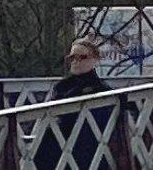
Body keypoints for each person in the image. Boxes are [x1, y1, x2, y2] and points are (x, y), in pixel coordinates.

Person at [34, 37, 114, 170]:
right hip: (59, 144)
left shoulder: (102, 90)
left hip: (88, 146)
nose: (76, 62)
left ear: (94, 60)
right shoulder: (61, 86)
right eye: (72, 58)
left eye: (81, 57)